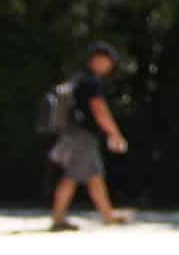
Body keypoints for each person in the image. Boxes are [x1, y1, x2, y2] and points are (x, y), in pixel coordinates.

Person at [49, 41, 133, 230]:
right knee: (73, 175)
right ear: (98, 60)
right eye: (108, 61)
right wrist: (115, 134)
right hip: (82, 134)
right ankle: (58, 218)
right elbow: (99, 109)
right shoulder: (91, 81)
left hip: (73, 132)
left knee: (94, 174)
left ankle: (107, 214)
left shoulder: (79, 78)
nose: (110, 66)